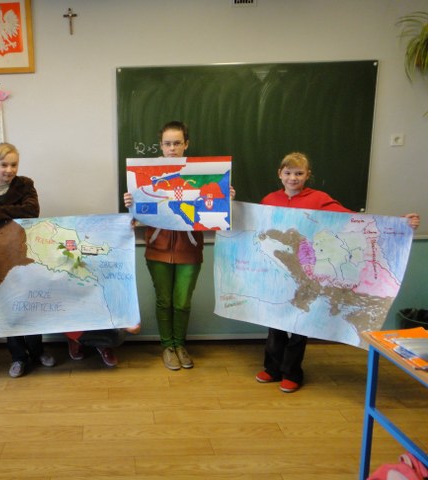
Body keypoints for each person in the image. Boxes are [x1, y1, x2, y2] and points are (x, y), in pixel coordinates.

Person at [255, 151, 420, 393]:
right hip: (279, 273)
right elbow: (256, 225)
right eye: (288, 173)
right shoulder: (269, 200)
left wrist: (399, 223)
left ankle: (292, 373)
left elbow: (353, 219)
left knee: (300, 325)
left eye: (299, 173)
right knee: (275, 323)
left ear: (308, 175)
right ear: (280, 174)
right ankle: (272, 369)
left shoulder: (319, 199)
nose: (293, 178)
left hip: (308, 274)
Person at [124, 121, 234, 370]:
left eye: (177, 143)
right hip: (157, 249)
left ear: (186, 144)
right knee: (164, 301)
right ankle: (167, 347)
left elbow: (213, 208)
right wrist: (131, 202)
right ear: (161, 146)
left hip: (190, 250)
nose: (172, 148)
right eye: (167, 144)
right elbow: (138, 216)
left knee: (182, 302)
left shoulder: (201, 175)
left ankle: (179, 344)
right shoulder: (146, 177)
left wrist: (226, 198)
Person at [0, 142, 55, 378]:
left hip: (24, 254)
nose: (9, 170)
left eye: (14, 165)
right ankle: (18, 357)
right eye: (4, 165)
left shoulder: (25, 185)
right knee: (9, 307)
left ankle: (37, 351)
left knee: (29, 304)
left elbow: (31, 210)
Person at [65, 325, 141, 367]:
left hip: (102, 321)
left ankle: (102, 343)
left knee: (117, 336)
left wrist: (126, 323)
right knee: (116, 337)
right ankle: (76, 340)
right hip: (76, 325)